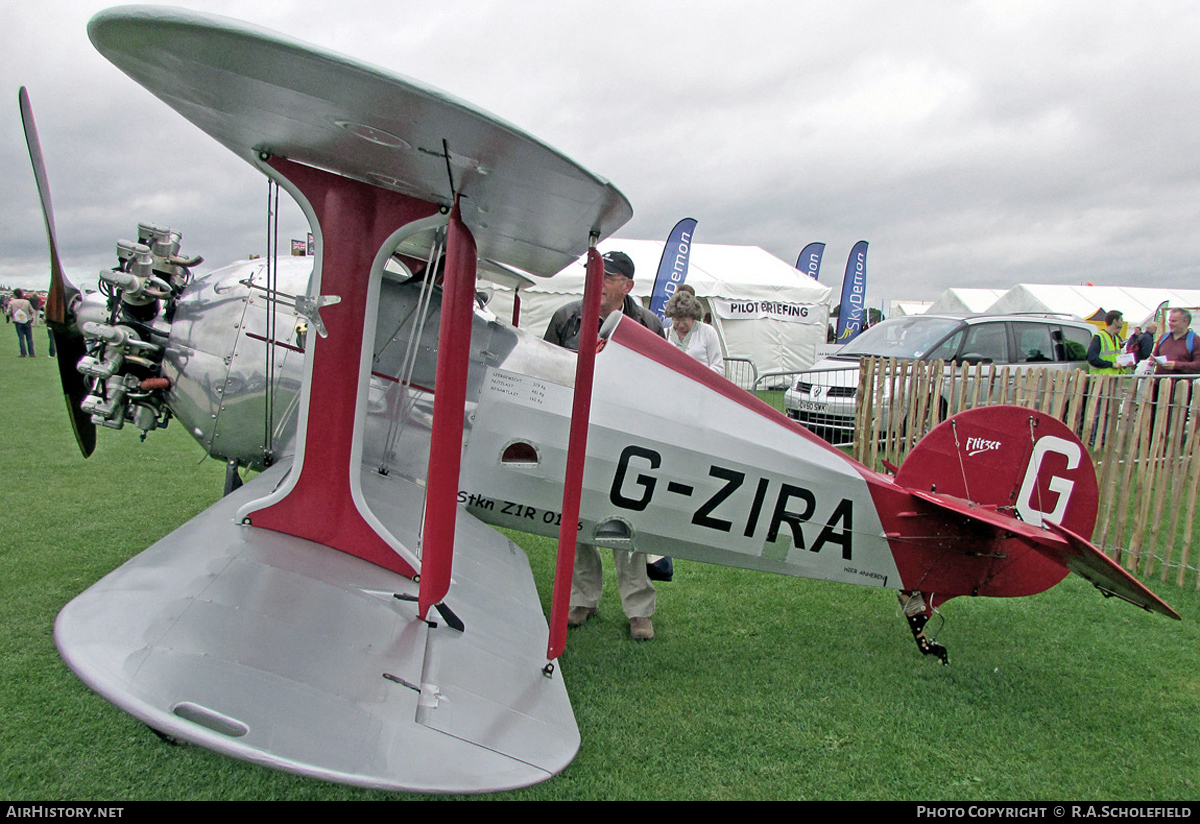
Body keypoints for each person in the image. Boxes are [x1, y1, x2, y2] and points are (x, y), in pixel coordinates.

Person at [544, 250, 664, 640]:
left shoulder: (648, 324)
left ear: (627, 286)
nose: (599, 283)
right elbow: (547, 370)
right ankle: (583, 598)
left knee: (625, 520)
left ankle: (639, 609)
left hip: (626, 436)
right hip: (576, 428)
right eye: (595, 275)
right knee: (577, 516)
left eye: (608, 277)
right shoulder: (567, 318)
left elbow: (662, 381)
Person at [663, 291, 723, 374]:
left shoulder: (708, 332)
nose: (681, 325)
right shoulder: (665, 334)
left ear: (693, 317)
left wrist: (698, 375)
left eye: (684, 320)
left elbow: (718, 366)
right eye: (676, 320)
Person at [1087, 310, 1127, 374]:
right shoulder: (1099, 337)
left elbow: (1114, 357)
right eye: (1121, 320)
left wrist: (1125, 363)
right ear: (1115, 321)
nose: (1123, 322)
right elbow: (1092, 359)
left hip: (1113, 377)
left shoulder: (1116, 338)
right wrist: (1111, 364)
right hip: (1101, 378)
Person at [8, 289, 36, 358]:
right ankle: (32, 353)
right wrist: (31, 317)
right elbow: (32, 311)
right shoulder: (27, 302)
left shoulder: (12, 302)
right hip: (27, 320)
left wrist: (12, 315)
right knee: (29, 338)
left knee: (21, 338)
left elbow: (8, 312)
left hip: (18, 321)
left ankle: (23, 353)